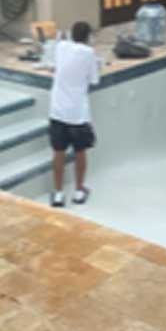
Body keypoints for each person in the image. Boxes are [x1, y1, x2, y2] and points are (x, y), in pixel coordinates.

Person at [49, 21, 100, 208]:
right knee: (80, 152)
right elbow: (94, 80)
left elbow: (56, 65)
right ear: (88, 37)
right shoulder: (89, 54)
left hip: (58, 110)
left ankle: (58, 194)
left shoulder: (61, 47)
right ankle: (79, 191)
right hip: (78, 113)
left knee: (58, 153)